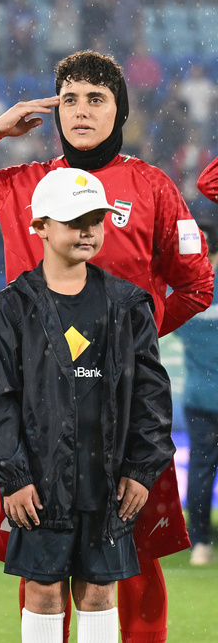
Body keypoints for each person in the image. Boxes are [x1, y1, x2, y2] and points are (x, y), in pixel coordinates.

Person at [0, 50, 210, 643]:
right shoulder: (23, 183)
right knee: (40, 571)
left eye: (96, 99)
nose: (81, 110)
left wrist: (132, 349)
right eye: (69, 98)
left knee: (138, 565)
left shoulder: (152, 186)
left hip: (121, 411)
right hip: (38, 412)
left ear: (119, 110)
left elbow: (197, 284)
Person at [0, 168, 175, 643]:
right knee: (43, 593)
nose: (87, 230)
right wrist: (14, 476)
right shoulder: (14, 305)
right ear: (40, 226)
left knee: (101, 593)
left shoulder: (129, 303)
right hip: (39, 481)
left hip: (109, 478)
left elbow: (152, 395)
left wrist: (141, 470)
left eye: (95, 219)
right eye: (73, 220)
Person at [173, 220, 218, 566]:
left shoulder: (190, 291)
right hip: (203, 394)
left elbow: (170, 325)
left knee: (201, 468)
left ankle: (200, 542)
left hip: (200, 396)